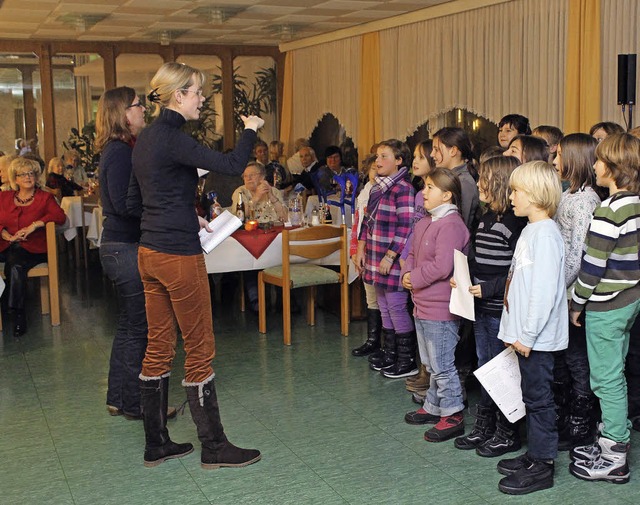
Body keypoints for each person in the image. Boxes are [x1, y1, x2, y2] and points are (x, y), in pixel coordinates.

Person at [127, 62, 264, 469]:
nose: (202, 99)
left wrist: (186, 215)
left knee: (158, 348)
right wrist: (251, 127)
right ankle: (214, 446)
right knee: (200, 349)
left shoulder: (147, 139)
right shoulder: (171, 137)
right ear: (177, 96)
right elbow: (232, 163)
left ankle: (156, 444)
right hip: (177, 256)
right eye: (197, 92)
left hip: (149, 252)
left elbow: (137, 201)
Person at [569, 133, 640, 484]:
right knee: (616, 375)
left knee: (606, 381)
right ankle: (611, 438)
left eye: (598, 161)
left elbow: (592, 266)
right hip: (628, 300)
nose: (594, 166)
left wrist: (576, 303)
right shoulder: (635, 203)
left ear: (613, 168)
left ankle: (615, 457)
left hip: (606, 304)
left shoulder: (610, 209)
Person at [494, 161, 567, 495]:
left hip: (536, 339)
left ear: (536, 195)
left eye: (516, 190)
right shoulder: (530, 230)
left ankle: (543, 464)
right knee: (529, 396)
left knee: (539, 400)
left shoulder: (547, 236)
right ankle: (535, 453)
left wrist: (527, 335)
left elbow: (543, 292)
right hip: (524, 336)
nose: (511, 197)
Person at [95, 86, 166, 421]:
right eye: (138, 106)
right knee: (140, 327)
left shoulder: (119, 150)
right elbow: (125, 205)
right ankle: (135, 403)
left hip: (117, 246)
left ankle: (118, 398)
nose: (143, 111)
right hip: (124, 247)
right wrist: (160, 211)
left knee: (129, 326)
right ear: (123, 113)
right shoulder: (120, 153)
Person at [452, 156, 527, 456]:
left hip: (501, 310)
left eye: (483, 178)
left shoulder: (515, 224)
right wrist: (463, 276)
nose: (478, 183)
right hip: (481, 309)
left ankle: (507, 431)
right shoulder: (484, 219)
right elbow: (474, 258)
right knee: (485, 368)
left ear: (497, 182)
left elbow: (516, 273)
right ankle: (484, 426)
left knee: (502, 371)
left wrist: (489, 288)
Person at [401, 168, 470, 442]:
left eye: (430, 187)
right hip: (421, 302)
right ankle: (433, 405)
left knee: (442, 363)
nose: (424, 192)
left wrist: (414, 277)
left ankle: (452, 412)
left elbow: (442, 267)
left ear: (447, 194)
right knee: (429, 361)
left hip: (441, 306)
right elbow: (413, 254)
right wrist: (407, 272)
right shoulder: (425, 222)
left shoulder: (451, 225)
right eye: (424, 186)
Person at [552, 133, 601, 450]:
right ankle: (569, 416)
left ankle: (582, 423)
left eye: (558, 156)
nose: (554, 162)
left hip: (574, 294)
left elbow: (578, 253)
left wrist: (555, 288)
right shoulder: (570, 195)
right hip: (565, 291)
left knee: (578, 361)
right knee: (567, 360)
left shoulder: (585, 201)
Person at [355, 139, 415, 378]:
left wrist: (391, 256)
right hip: (374, 255)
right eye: (377, 157)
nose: (377, 161)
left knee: (396, 307)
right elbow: (366, 222)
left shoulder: (403, 189)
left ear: (399, 161)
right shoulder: (377, 188)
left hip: (389, 258)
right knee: (383, 306)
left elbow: (406, 226)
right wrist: (361, 248)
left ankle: (406, 359)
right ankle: (390, 353)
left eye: (384, 157)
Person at [0, 157, 66, 337]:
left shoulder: (45, 197)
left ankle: (17, 313)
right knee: (14, 258)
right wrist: (5, 234)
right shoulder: (4, 197)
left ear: (36, 176)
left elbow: (60, 217)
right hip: (5, 245)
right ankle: (12, 307)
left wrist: (36, 224)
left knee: (16, 262)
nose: (28, 177)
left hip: (34, 249)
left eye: (31, 173)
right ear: (15, 178)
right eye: (23, 174)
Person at [401, 140, 435, 395]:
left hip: (428, 262)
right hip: (413, 257)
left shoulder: (430, 195)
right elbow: (413, 229)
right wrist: (405, 256)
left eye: (421, 157)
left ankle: (430, 373)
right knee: (416, 315)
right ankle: (423, 368)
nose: (415, 161)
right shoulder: (417, 192)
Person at [350, 154, 381, 357]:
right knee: (371, 298)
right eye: (373, 169)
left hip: (379, 250)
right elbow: (357, 225)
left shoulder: (383, 194)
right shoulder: (364, 194)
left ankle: (386, 342)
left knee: (384, 301)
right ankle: (372, 340)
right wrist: (354, 250)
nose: (376, 173)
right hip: (365, 250)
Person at [430, 127, 479, 230]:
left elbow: (459, 227)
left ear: (453, 151)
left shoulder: (464, 183)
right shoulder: (449, 178)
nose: (432, 154)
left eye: (436, 149)